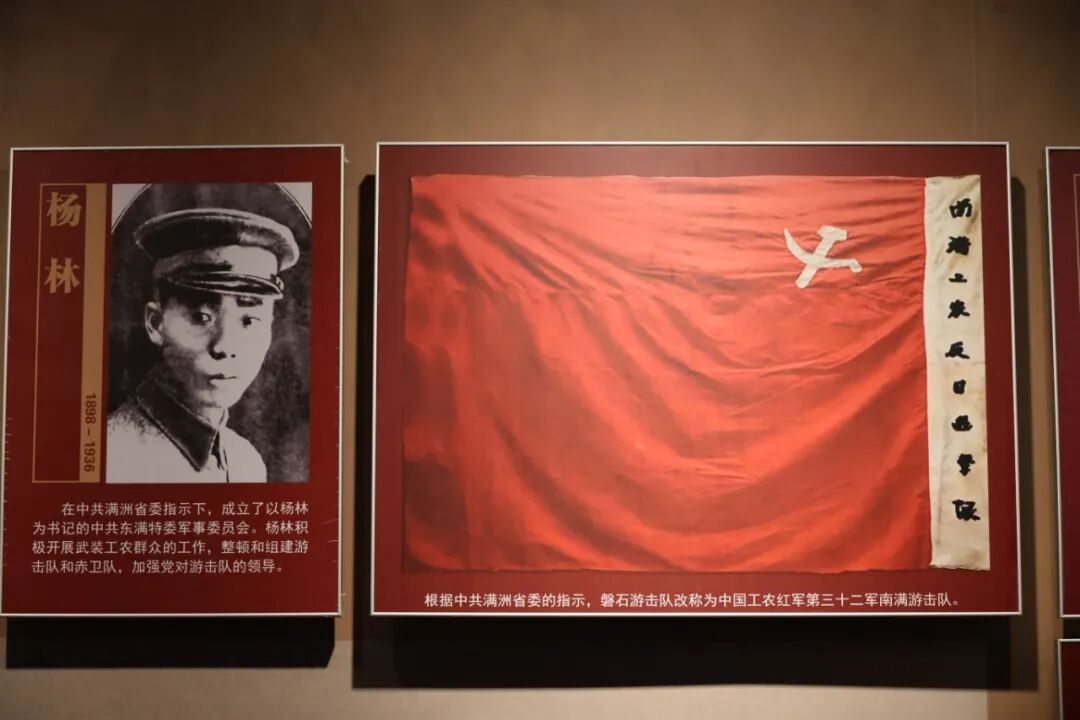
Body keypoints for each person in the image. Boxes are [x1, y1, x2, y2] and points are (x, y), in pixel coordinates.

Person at [106, 203, 300, 483]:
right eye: (201, 317)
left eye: (249, 321)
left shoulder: (246, 462)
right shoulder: (111, 458)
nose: (225, 347)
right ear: (156, 323)